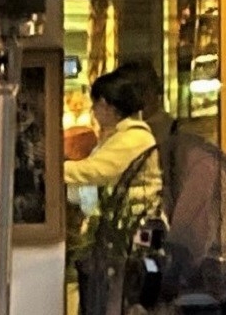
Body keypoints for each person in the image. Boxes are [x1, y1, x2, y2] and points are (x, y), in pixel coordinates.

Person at [67, 63, 162, 210]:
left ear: (105, 104)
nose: (93, 111)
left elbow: (92, 171)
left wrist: (53, 169)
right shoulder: (120, 134)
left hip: (135, 224)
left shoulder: (134, 137)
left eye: (95, 104)